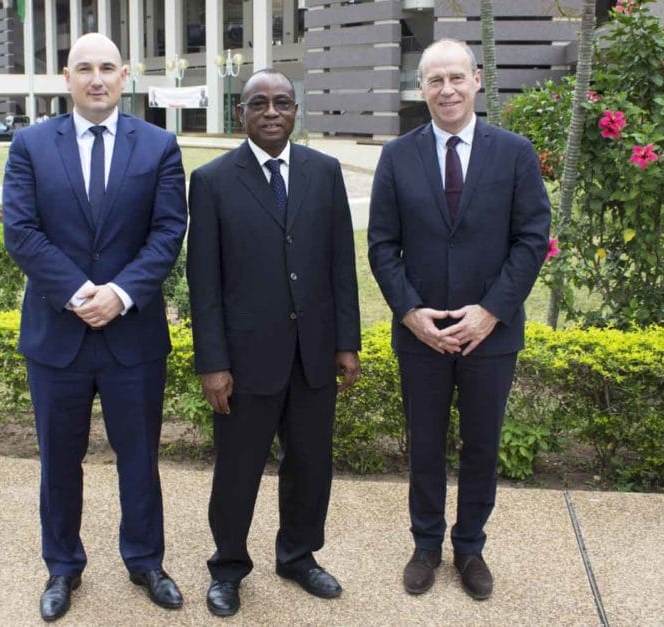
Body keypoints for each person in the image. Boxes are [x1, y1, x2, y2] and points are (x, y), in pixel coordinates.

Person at [2, 33, 187, 622]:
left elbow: (168, 231)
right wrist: (82, 294)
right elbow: (21, 231)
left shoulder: (158, 145)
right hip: (58, 336)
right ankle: (62, 566)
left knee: (140, 459)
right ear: (67, 77)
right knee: (59, 462)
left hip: (133, 338)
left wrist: (121, 294)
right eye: (85, 68)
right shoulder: (31, 145)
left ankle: (146, 562)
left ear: (124, 76)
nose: (97, 78)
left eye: (108, 67)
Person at [367, 39, 550, 601]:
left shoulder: (514, 153)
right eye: (434, 80)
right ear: (421, 89)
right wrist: (410, 313)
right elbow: (382, 245)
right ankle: (426, 545)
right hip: (421, 335)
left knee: (481, 446)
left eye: (455, 77)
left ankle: (469, 547)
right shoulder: (397, 156)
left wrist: (491, 312)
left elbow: (531, 239)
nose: (446, 90)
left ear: (476, 80)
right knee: (424, 446)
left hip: (489, 335)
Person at [186, 69, 361, 617]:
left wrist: (346, 342)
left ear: (295, 112)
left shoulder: (324, 172)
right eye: (258, 103)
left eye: (282, 102)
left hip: (313, 354)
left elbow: (341, 264)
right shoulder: (212, 181)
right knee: (237, 471)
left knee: (310, 465)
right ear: (241, 113)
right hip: (244, 361)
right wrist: (213, 362)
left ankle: (298, 557)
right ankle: (228, 567)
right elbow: (203, 283)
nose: (271, 112)